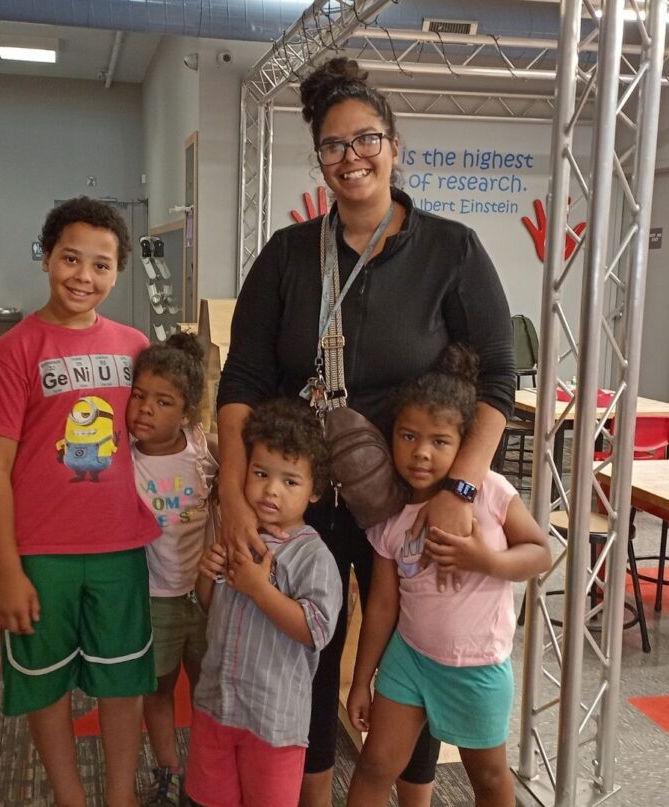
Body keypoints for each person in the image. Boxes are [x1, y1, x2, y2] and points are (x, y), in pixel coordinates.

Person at [216, 57, 516, 806]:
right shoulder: (287, 256)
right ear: (317, 157)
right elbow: (241, 384)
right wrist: (231, 493)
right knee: (305, 653)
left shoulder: (451, 250)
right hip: (300, 494)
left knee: (410, 644)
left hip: (411, 495)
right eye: (332, 145)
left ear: (393, 144)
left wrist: (459, 486)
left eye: (365, 139)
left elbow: (498, 382)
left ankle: (411, 793)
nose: (350, 157)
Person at [0, 197, 160, 807]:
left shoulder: (135, 346)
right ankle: (71, 797)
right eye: (71, 258)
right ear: (46, 257)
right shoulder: (16, 350)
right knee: (44, 687)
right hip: (41, 553)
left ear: (118, 272)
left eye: (101, 265)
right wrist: (6, 568)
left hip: (120, 548)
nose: (84, 275)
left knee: (122, 682)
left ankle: (121, 795)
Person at [346, 345, 551, 807]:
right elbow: (381, 605)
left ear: (463, 447)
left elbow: (541, 554)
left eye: (439, 441)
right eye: (408, 436)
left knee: (492, 782)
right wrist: (362, 681)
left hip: (476, 668)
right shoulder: (389, 514)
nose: (421, 453)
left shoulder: (490, 493)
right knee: (375, 766)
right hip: (410, 661)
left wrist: (487, 561)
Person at [186, 399, 343, 807]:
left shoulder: (314, 557)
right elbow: (210, 608)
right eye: (260, 474)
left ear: (315, 490)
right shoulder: (237, 534)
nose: (271, 489)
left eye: (291, 481)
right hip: (216, 705)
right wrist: (207, 573)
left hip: (273, 722)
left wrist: (261, 589)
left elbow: (316, 631)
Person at [127, 332, 219, 807]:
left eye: (162, 402)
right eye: (139, 396)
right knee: (159, 688)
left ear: (184, 413)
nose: (144, 409)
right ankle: (168, 770)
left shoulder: (203, 451)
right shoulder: (124, 458)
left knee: (208, 688)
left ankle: (208, 771)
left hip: (206, 599)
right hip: (156, 598)